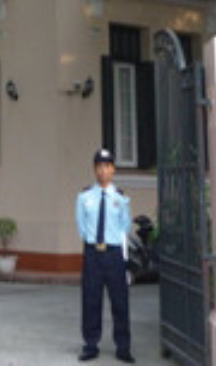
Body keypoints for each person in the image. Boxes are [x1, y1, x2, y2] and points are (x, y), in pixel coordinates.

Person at [76, 148, 134, 363]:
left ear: (113, 169)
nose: (103, 171)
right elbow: (82, 227)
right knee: (91, 299)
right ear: (95, 169)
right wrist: (93, 241)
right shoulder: (84, 197)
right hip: (93, 253)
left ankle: (123, 347)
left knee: (120, 301)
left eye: (107, 166)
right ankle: (91, 344)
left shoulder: (120, 198)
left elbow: (125, 226)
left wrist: (116, 244)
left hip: (114, 253)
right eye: (99, 166)